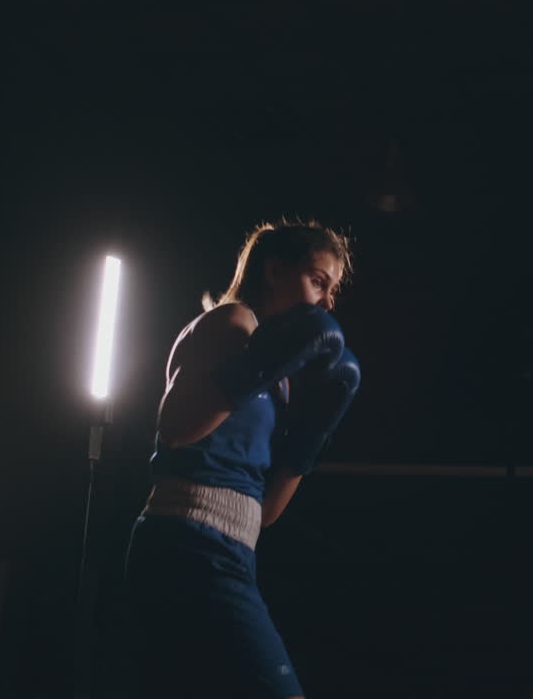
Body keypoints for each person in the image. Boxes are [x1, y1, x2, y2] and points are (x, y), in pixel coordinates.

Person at [126, 219, 359, 699]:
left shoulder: (277, 372)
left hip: (227, 549)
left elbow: (266, 513)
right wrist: (260, 368)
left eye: (332, 289)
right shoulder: (231, 323)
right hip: (187, 541)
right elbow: (176, 427)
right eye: (318, 281)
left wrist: (309, 440)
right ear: (274, 270)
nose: (327, 302)